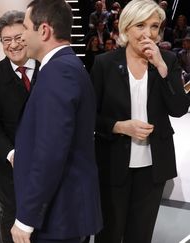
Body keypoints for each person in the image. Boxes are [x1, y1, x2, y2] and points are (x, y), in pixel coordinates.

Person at [90, 1, 190, 242]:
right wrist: (119, 126)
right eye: (140, 25)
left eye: (154, 26)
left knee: (141, 236)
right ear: (126, 27)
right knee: (110, 234)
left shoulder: (167, 60)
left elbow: (179, 109)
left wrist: (162, 68)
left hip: (154, 167)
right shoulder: (105, 63)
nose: (148, 33)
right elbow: (90, 117)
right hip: (113, 164)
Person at [10, 0, 103, 242]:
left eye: (26, 29)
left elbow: (50, 152)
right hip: (63, 213)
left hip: (58, 216)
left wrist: (26, 219)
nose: (21, 38)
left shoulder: (59, 72)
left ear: (44, 31)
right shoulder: (64, 67)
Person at [0, 10, 40, 243]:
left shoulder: (48, 68)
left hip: (49, 164)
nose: (14, 45)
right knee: (13, 221)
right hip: (11, 168)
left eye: (18, 38)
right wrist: (11, 153)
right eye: (7, 40)